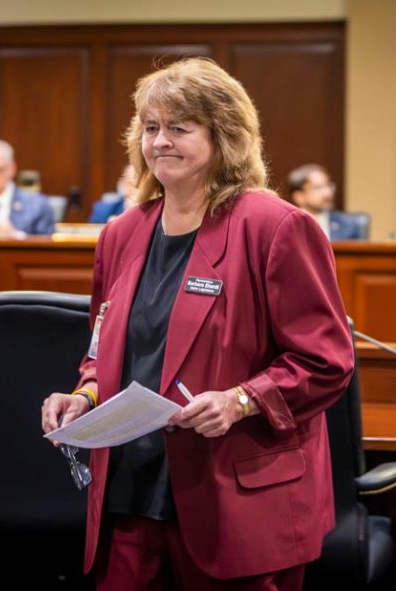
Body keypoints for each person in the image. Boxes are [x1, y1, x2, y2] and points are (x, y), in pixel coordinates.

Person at [40, 58, 354, 590]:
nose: (160, 141)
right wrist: (85, 397)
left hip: (235, 500)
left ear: (224, 136)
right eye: (151, 128)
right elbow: (104, 350)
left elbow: (325, 361)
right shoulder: (120, 234)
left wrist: (242, 399)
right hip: (128, 496)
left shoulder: (274, 226)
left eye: (179, 128)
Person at [288, 163, 365, 240]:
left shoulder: (349, 224)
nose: (327, 193)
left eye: (328, 186)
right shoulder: (287, 225)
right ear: (299, 196)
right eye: (318, 188)